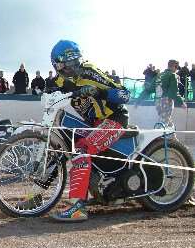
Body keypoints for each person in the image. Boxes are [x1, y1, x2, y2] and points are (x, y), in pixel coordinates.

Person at [20, 40, 130, 222]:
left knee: (81, 152)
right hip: (93, 124)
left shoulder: (90, 72)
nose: (65, 68)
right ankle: (37, 195)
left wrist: (99, 92)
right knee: (59, 149)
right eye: (61, 64)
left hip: (114, 119)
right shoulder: (61, 80)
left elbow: (125, 95)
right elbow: (51, 91)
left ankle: (78, 207)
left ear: (75, 60)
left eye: (68, 62)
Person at [155, 60, 187, 129]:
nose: (176, 70)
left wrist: (139, 100)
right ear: (174, 67)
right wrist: (181, 102)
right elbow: (174, 91)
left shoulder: (160, 75)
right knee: (164, 122)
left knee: (167, 120)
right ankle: (158, 137)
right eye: (176, 67)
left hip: (157, 101)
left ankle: (172, 138)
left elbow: (150, 88)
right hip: (166, 101)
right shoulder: (172, 75)